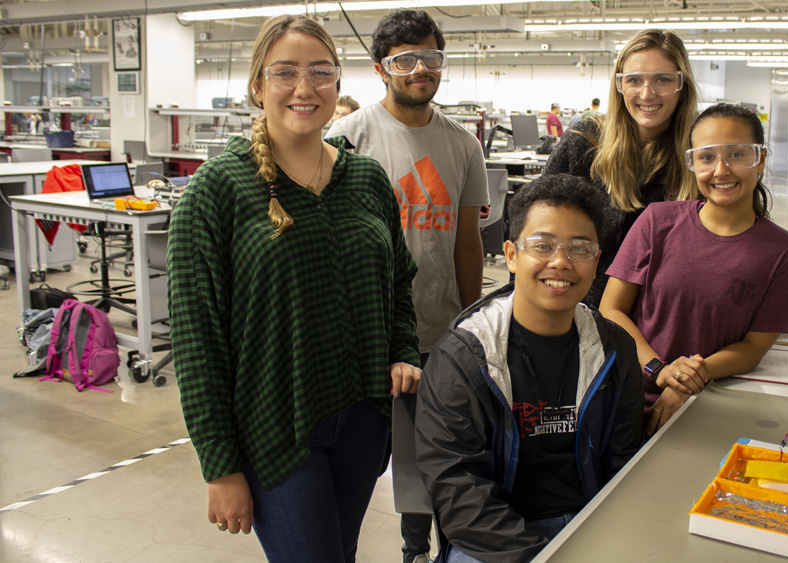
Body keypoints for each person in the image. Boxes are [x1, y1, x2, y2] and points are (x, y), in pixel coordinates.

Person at [167, 15, 421, 563]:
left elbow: (399, 282)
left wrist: (401, 349)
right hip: (275, 430)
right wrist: (219, 464)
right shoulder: (218, 191)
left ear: (337, 85)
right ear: (257, 85)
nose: (304, 88)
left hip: (361, 422)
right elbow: (196, 341)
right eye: (285, 72)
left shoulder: (367, 179)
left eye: (320, 72)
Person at [327, 9, 488, 563]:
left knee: (438, 449)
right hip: (364, 333)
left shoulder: (464, 145)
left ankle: (421, 549)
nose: (421, 69)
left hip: (440, 329)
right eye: (405, 60)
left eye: (431, 57)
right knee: (364, 449)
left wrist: (474, 324)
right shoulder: (347, 139)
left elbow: (469, 241)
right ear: (381, 69)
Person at [415, 173, 644, 563]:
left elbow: (624, 463)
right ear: (511, 255)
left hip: (590, 523)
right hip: (494, 538)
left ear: (596, 261)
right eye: (542, 245)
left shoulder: (613, 348)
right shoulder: (464, 356)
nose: (560, 262)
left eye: (579, 248)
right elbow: (458, 490)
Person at [599, 103, 788, 436]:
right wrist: (661, 371)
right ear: (693, 164)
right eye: (707, 157)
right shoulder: (657, 221)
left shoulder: (784, 252)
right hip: (627, 396)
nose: (721, 170)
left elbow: (753, 347)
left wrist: (688, 378)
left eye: (737, 155)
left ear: (761, 160)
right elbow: (611, 309)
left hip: (713, 403)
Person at [542, 29, 699, 308]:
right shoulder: (585, 141)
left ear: (681, 84)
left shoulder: (699, 154)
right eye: (634, 80)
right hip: (579, 312)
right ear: (619, 85)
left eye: (662, 79)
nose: (647, 94)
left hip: (660, 318)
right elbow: (536, 226)